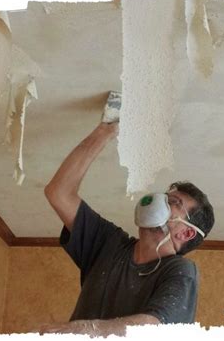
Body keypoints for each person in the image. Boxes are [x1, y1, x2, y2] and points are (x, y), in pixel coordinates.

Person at [40, 121, 214, 337]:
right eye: (165, 197)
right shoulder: (109, 244)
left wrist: (83, 329)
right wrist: (106, 131)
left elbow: (153, 327)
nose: (160, 201)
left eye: (174, 203)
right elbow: (59, 193)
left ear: (186, 232)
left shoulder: (181, 271)